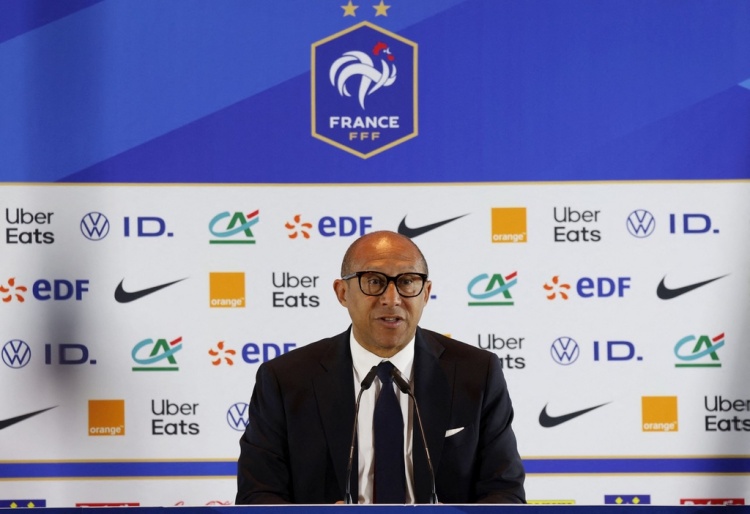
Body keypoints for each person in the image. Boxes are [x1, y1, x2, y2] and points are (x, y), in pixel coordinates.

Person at [236, 230, 525, 504]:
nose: (391, 299)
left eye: (407, 281)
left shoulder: (477, 373)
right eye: (374, 281)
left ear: (425, 293)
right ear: (342, 292)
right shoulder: (285, 379)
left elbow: (505, 493)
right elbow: (257, 496)